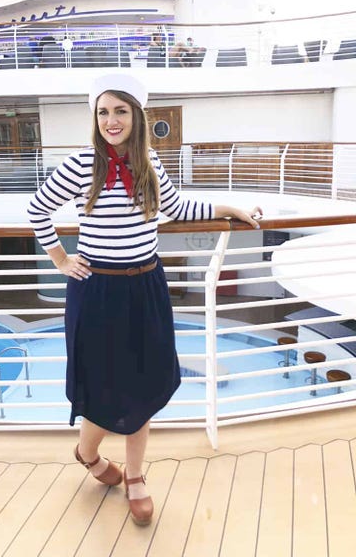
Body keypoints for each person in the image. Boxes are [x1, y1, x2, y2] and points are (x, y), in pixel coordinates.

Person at [27, 73, 262, 526]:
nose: (111, 120)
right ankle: (89, 453)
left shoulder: (150, 161)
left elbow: (177, 209)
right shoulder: (81, 164)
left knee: (142, 383)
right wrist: (59, 259)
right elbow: (38, 208)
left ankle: (135, 476)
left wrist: (228, 206)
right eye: (103, 112)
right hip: (96, 292)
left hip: (145, 288)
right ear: (94, 118)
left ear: (137, 115)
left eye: (120, 110)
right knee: (98, 385)